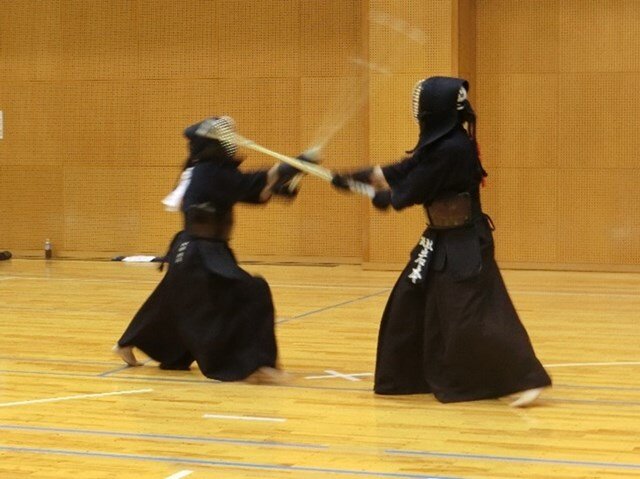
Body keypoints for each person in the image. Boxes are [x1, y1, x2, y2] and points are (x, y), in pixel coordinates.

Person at [333, 76, 551, 406]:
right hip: (439, 240)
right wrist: (359, 175)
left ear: (434, 110)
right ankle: (408, 378)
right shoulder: (443, 142)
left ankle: (525, 378)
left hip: (463, 243)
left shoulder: (453, 148)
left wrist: (368, 192)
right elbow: (407, 168)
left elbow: (410, 192)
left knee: (473, 318)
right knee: (409, 301)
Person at [113, 116, 308, 383]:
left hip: (204, 251)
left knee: (172, 304)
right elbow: (251, 183)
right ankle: (256, 366)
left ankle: (126, 343)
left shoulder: (217, 171)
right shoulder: (205, 171)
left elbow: (256, 193)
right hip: (197, 252)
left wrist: (293, 173)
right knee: (252, 293)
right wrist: (285, 168)